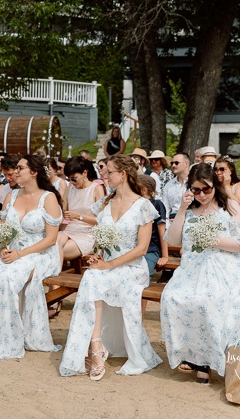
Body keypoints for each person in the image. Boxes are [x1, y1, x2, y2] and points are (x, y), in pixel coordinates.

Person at [59, 155, 161, 380]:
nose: (103, 177)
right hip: (108, 264)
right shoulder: (105, 202)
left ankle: (97, 346)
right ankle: (96, 345)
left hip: (132, 267)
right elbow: (102, 230)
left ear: (123, 175)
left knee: (94, 278)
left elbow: (142, 249)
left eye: (108, 173)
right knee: (91, 277)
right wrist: (98, 255)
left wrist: (109, 264)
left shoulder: (143, 206)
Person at [0, 155, 63, 359]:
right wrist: (3, 247)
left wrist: (20, 254)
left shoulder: (48, 198)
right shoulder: (11, 196)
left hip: (39, 253)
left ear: (33, 173)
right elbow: (4, 230)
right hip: (11, 251)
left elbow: (51, 240)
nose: (15, 172)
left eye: (20, 168)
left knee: (8, 278)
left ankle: (10, 336)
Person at [161, 163, 240, 383]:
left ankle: (208, 360)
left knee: (208, 301)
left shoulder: (229, 206)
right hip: (193, 268)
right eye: (196, 190)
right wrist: (183, 210)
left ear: (215, 185)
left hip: (224, 266)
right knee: (172, 298)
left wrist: (216, 241)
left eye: (206, 189)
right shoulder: (189, 210)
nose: (201, 194)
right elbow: (174, 240)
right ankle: (194, 355)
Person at [57, 156, 106, 266]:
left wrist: (78, 216)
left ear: (84, 173)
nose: (71, 182)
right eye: (69, 179)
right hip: (70, 230)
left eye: (74, 178)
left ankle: (54, 281)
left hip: (88, 233)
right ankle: (54, 282)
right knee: (51, 245)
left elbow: (101, 220)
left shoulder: (96, 188)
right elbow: (62, 212)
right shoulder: (70, 189)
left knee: (57, 251)